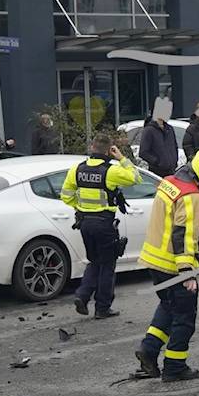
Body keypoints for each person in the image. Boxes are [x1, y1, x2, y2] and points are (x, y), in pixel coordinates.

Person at [134, 147, 199, 383]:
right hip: (175, 265)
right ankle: (175, 366)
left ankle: (149, 349)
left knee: (169, 307)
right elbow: (182, 234)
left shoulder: (171, 181)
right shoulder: (191, 196)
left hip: (155, 260)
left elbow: (173, 220)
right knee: (185, 317)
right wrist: (187, 272)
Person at [61, 134, 141, 319]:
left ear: (92, 148)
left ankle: (82, 296)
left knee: (95, 261)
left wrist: (80, 207)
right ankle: (102, 308)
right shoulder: (111, 171)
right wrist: (121, 158)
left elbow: (66, 195)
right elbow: (135, 178)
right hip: (104, 223)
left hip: (85, 223)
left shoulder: (77, 169)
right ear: (108, 151)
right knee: (107, 265)